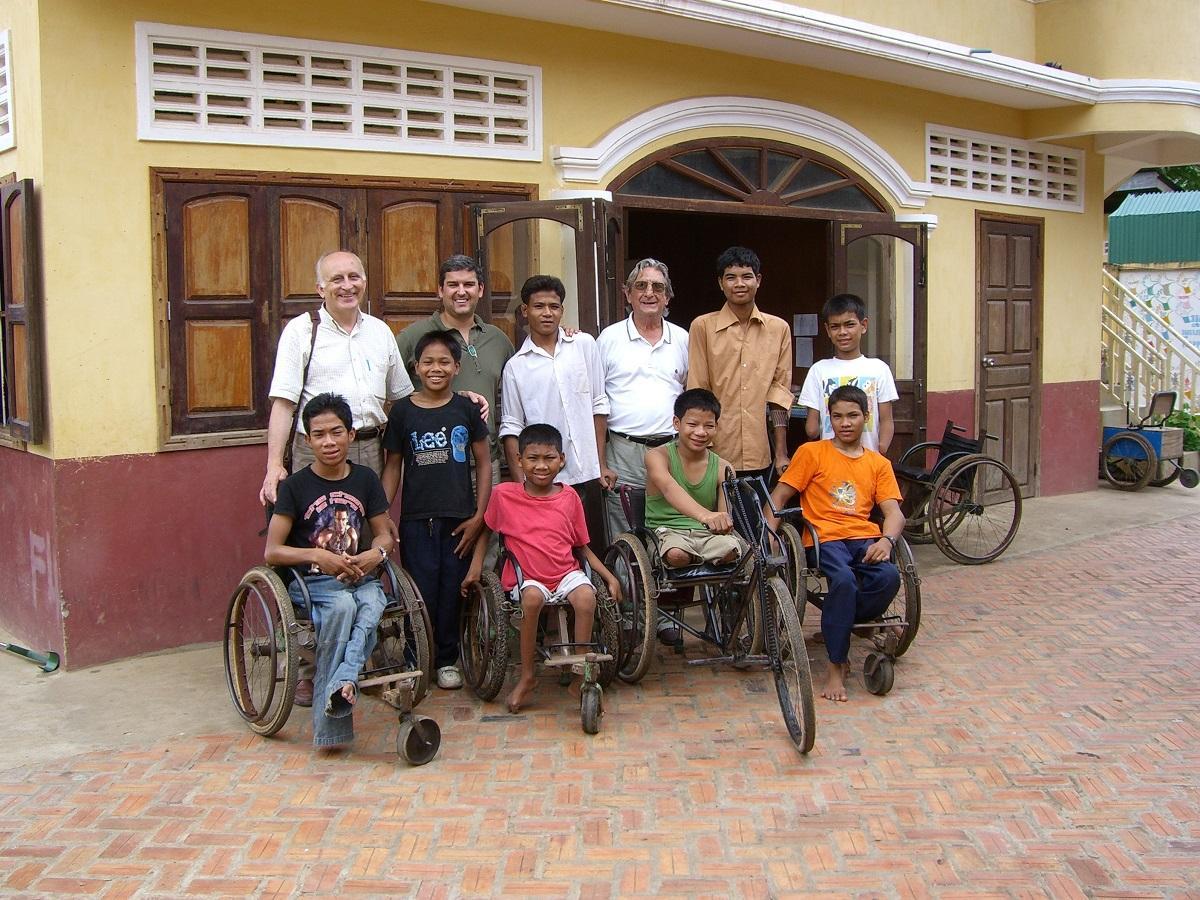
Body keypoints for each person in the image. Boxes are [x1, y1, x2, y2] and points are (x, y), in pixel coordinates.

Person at [264, 392, 396, 749]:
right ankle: (331, 728)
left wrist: (375, 555)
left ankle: (344, 679)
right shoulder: (295, 487)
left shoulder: (366, 480)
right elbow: (272, 550)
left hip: (359, 575)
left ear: (351, 434)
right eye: (319, 434)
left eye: (336, 432)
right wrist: (317, 556)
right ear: (308, 440)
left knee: (374, 601)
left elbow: (384, 533)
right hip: (313, 583)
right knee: (344, 607)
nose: (329, 442)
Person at [463, 424, 622, 714]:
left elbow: (582, 546)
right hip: (527, 576)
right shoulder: (504, 495)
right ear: (519, 460)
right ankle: (527, 675)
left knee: (587, 597)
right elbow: (486, 530)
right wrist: (475, 569)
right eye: (533, 458)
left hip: (565, 572)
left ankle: (579, 673)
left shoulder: (569, 497)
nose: (541, 466)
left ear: (562, 460)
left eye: (549, 458)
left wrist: (608, 576)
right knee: (532, 600)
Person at [765, 385, 905, 703]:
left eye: (853, 415)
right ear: (829, 419)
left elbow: (894, 513)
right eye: (838, 416)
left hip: (864, 538)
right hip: (823, 539)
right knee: (842, 580)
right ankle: (835, 665)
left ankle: (842, 621)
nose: (845, 423)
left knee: (889, 577)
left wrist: (886, 539)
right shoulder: (812, 453)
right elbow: (780, 497)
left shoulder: (877, 464)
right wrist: (770, 537)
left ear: (866, 418)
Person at [382, 331, 491, 691]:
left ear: (457, 367)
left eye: (444, 361)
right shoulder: (403, 413)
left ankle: (446, 659)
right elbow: (394, 466)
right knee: (419, 591)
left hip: (459, 519)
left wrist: (479, 515)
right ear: (415, 367)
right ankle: (417, 658)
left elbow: (485, 463)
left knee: (451, 591)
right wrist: (381, 515)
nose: (436, 368)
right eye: (428, 361)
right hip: (416, 519)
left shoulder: (467, 409)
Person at [260, 250, 412, 506]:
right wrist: (273, 465)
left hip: (371, 448)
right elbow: (284, 404)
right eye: (337, 279)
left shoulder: (380, 331)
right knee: (317, 532)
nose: (347, 286)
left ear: (364, 282)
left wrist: (456, 398)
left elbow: (403, 397)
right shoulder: (301, 331)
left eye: (354, 277)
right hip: (316, 450)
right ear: (321, 289)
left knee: (366, 530)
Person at [498, 275, 610, 552]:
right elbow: (512, 427)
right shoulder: (516, 367)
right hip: (544, 479)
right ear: (525, 311)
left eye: (554, 306)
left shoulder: (584, 345)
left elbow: (599, 405)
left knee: (592, 549)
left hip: (587, 473)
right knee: (551, 552)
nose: (547, 313)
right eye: (539, 306)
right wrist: (520, 482)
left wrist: (600, 463)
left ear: (562, 310)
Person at [597, 258, 689, 542]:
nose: (649, 293)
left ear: (668, 296)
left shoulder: (684, 339)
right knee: (624, 530)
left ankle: (668, 588)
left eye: (658, 287)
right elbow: (596, 404)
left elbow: (690, 393)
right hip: (623, 451)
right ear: (628, 293)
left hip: (671, 450)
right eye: (641, 286)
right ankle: (627, 587)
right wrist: (600, 462)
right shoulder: (608, 339)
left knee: (671, 528)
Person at [395, 255, 515, 469]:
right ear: (441, 290)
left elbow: (516, 391)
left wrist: (562, 336)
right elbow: (389, 392)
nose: (461, 292)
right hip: (433, 461)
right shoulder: (412, 336)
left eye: (468, 284)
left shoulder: (498, 340)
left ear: (480, 290)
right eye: (453, 285)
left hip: (487, 461)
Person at [687, 246, 794, 480]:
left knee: (754, 515)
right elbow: (698, 389)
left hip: (760, 452)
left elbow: (779, 394)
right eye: (731, 277)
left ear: (758, 280)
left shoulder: (778, 329)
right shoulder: (702, 327)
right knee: (716, 516)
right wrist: (698, 446)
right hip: (714, 449)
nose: (739, 284)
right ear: (720, 283)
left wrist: (782, 452)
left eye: (746, 276)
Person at [644, 389, 746, 568]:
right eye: (692, 424)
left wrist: (723, 523)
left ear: (716, 426)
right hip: (667, 532)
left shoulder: (724, 467)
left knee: (733, 550)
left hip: (708, 535)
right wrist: (705, 516)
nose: (701, 432)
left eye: (709, 426)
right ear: (677, 423)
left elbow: (724, 517)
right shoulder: (657, 456)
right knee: (677, 554)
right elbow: (668, 487)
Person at [798, 293, 898, 454]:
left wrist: (880, 452)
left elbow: (887, 420)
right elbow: (812, 429)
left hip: (867, 461)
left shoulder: (879, 369)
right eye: (835, 326)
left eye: (849, 324)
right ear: (827, 330)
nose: (842, 332)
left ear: (864, 325)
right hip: (830, 462)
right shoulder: (818, 370)